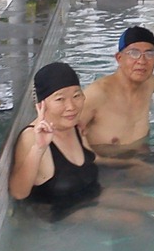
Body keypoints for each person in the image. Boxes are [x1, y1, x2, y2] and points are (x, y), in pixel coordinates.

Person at [8, 61, 99, 205]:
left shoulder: (75, 126)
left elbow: (94, 162)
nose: (71, 106)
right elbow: (18, 193)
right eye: (60, 99)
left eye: (76, 96)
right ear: (41, 105)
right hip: (57, 215)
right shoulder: (32, 137)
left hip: (92, 204)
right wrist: (39, 148)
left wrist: (127, 163)